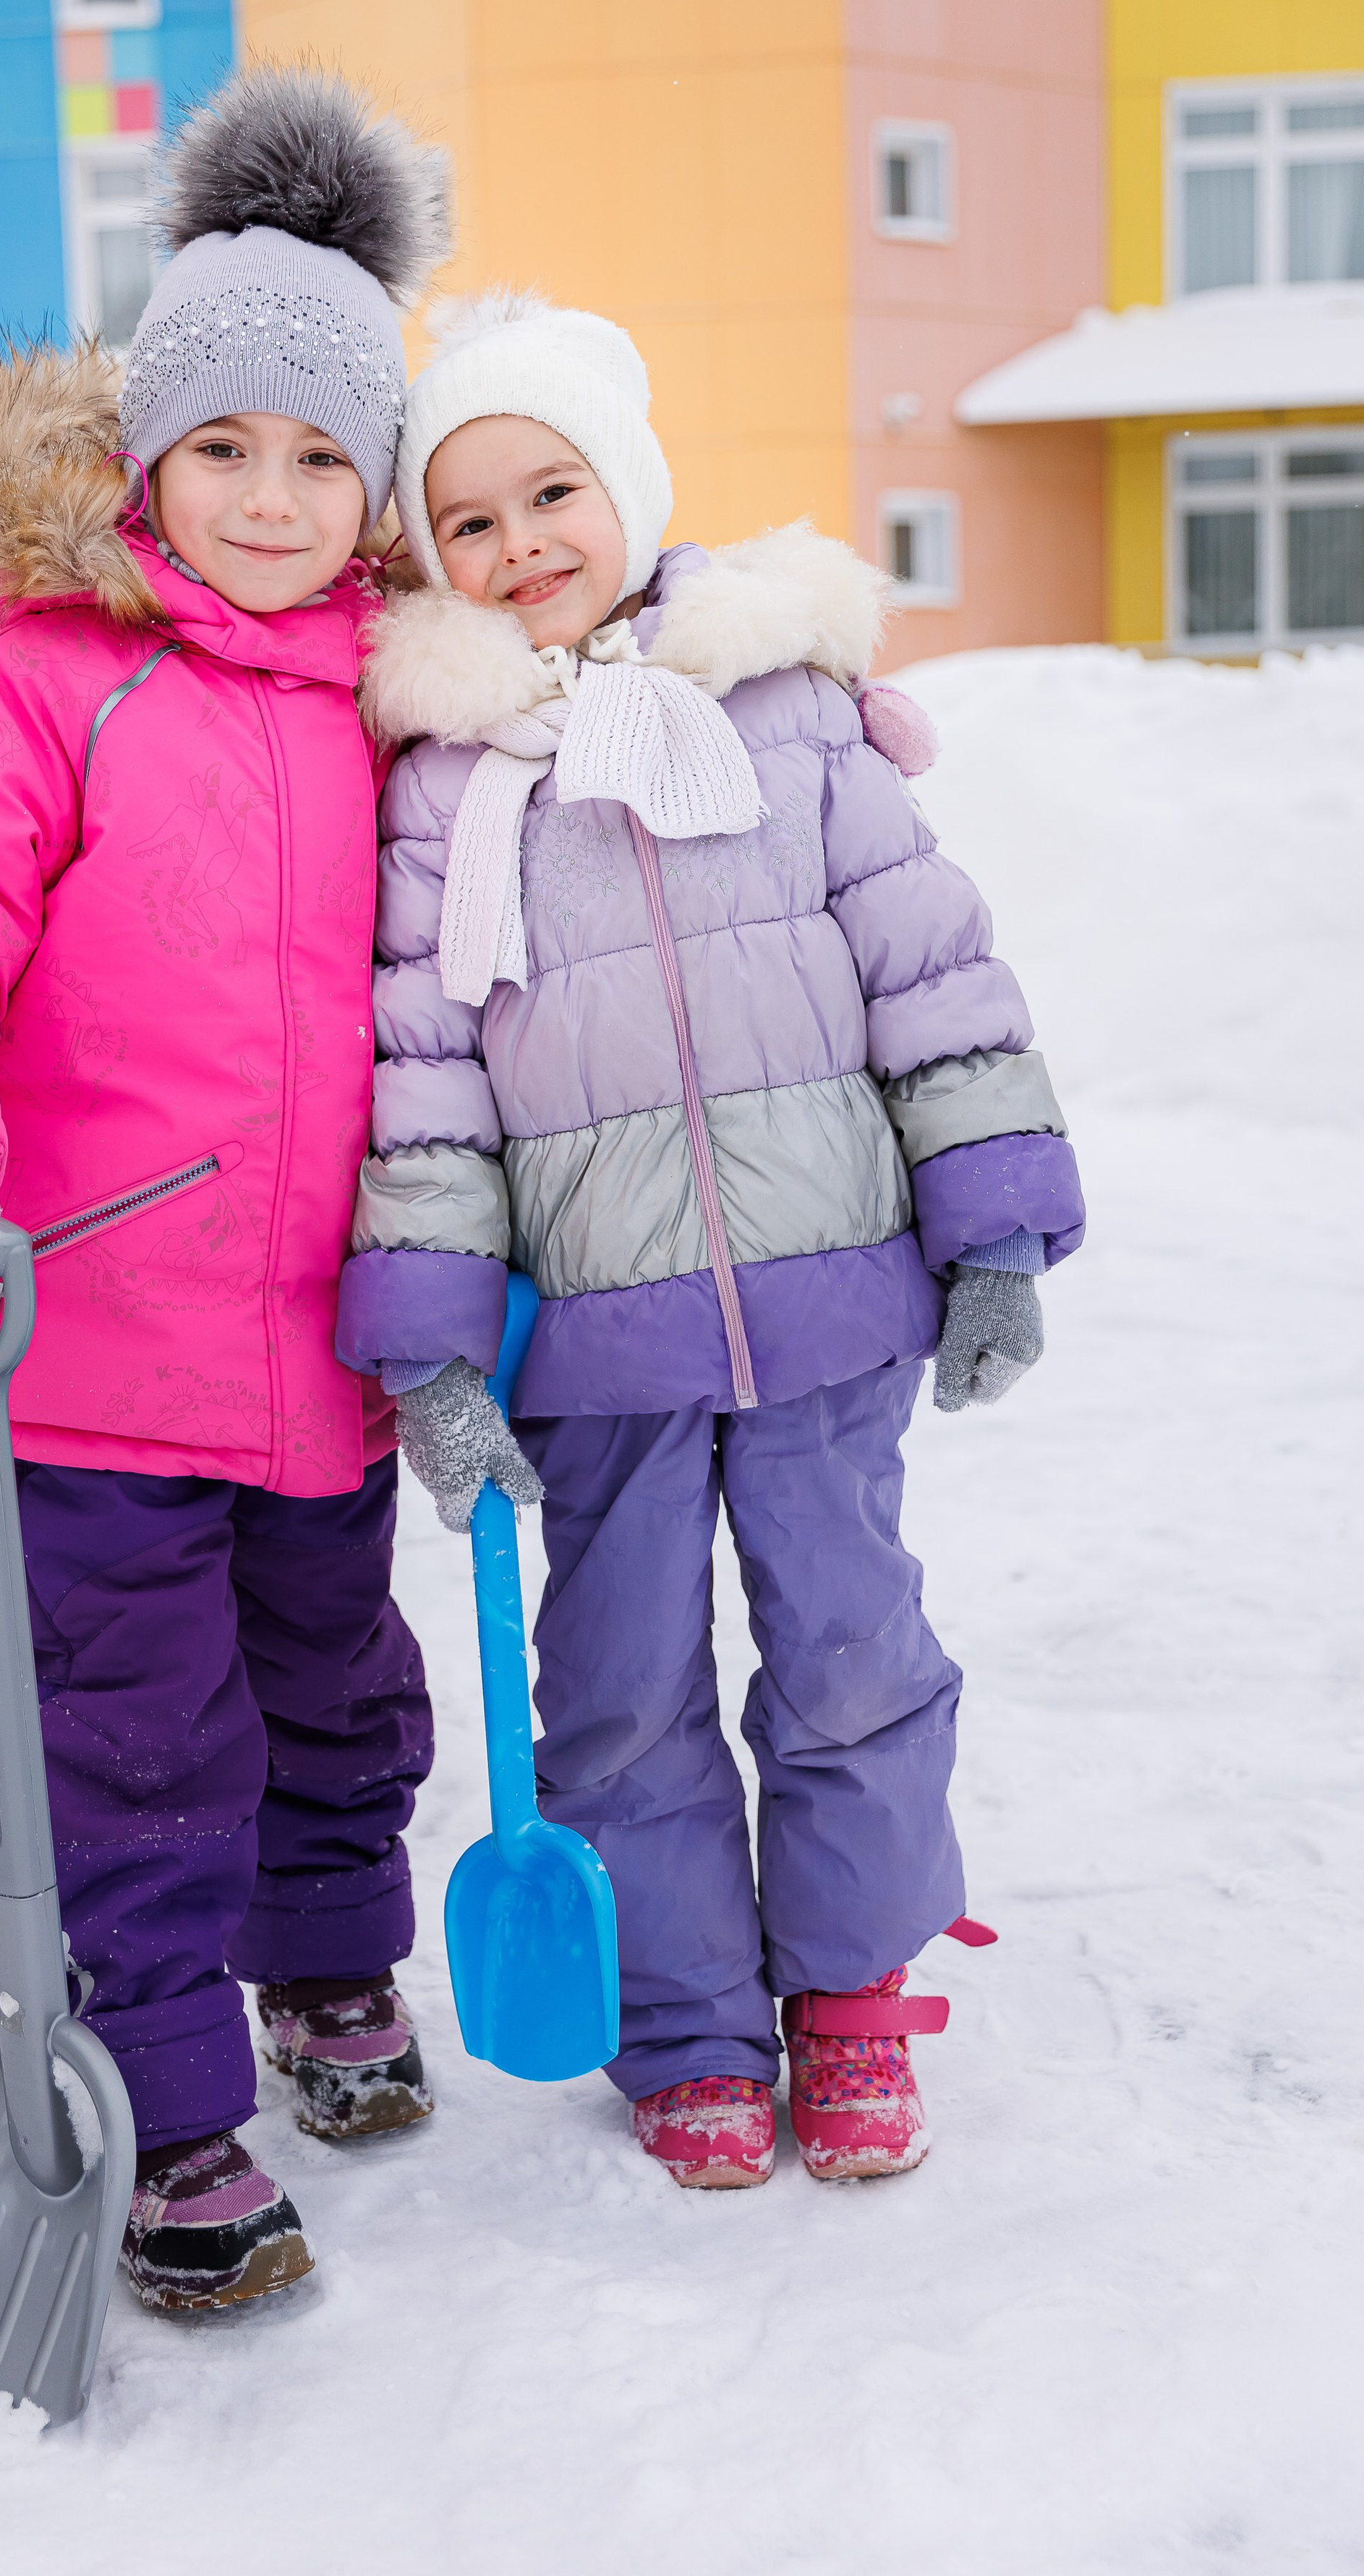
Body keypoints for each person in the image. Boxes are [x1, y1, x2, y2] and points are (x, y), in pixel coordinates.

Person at [337, 289, 1084, 2190]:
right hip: (596, 1344)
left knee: (850, 1656)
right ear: (433, 558)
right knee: (618, 1697)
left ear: (634, 488)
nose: (521, 549)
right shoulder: (443, 789)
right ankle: (683, 2024)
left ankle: (847, 1989)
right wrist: (431, 1342)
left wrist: (991, 1223)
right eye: (471, 522)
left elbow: (933, 971)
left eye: (552, 492)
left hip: (829, 1300)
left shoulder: (788, 711)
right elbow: (423, 1076)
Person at [0, 69, 453, 2308]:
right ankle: (171, 2104)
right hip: (81, 1347)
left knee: (340, 1688)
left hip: (316, 1352)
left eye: (320, 457)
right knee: (138, 1730)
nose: (272, 499)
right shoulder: (56, 680)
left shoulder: (399, 696)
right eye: (226, 450)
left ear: (371, 484)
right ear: (144, 464)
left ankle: (332, 1972)